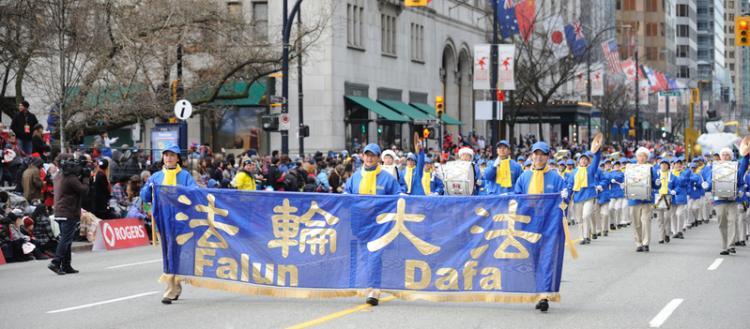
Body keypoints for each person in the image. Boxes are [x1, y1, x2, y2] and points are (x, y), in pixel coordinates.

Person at [344, 142, 401, 306]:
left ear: (378, 158)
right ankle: (368, 284)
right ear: (363, 157)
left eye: (373, 155)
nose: (369, 158)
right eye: (367, 155)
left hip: (379, 224)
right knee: (366, 255)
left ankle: (374, 289)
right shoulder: (355, 177)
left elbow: (397, 196)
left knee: (374, 255)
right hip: (360, 223)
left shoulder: (387, 178)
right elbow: (346, 194)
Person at [513, 141, 566, 313]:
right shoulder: (524, 177)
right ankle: (538, 292)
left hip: (549, 224)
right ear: (531, 156)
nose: (538, 157)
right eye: (536, 154)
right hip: (530, 224)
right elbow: (517, 198)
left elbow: (564, 199)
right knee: (534, 259)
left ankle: (544, 296)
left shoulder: (556, 177)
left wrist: (567, 195)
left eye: (542, 154)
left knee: (548, 258)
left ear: (547, 157)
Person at [140, 144, 197, 304]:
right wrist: (148, 188)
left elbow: (194, 193)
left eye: (172, 155)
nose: (169, 158)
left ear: (178, 158)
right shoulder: (156, 177)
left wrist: (181, 192)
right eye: (166, 155)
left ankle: (173, 289)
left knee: (174, 253)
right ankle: (173, 288)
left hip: (181, 221)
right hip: (163, 221)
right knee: (169, 253)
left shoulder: (185, 176)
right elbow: (145, 197)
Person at [704, 139, 750, 256]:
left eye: (727, 155)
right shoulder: (715, 168)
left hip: (732, 200)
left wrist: (746, 154)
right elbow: (710, 182)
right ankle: (724, 246)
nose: (725, 156)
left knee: (732, 221)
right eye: (723, 154)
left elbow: (740, 181)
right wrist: (706, 186)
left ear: (731, 156)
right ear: (720, 156)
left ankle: (730, 245)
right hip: (719, 200)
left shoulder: (735, 168)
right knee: (721, 223)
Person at [48, 154, 90, 275]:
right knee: (66, 239)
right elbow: (84, 190)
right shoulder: (71, 178)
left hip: (60, 211)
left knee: (67, 239)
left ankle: (66, 265)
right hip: (68, 212)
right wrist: (86, 178)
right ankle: (55, 262)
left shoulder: (59, 176)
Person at [566, 134, 603, 245]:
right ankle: (582, 237)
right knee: (579, 219)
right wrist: (566, 196)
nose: (583, 161)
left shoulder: (591, 170)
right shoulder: (573, 172)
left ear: (588, 161)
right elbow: (570, 186)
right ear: (578, 161)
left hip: (589, 196)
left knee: (586, 215)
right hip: (578, 197)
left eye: (585, 159)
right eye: (581, 159)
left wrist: (597, 149)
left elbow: (596, 159)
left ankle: (587, 236)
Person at [627, 147, 660, 252]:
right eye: (640, 156)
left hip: (647, 199)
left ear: (647, 158)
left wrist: (658, 183)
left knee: (645, 221)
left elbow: (656, 184)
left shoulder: (650, 168)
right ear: (637, 157)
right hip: (634, 199)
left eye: (644, 156)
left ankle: (646, 243)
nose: (642, 158)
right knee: (636, 222)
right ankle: (638, 243)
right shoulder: (631, 167)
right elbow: (627, 180)